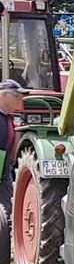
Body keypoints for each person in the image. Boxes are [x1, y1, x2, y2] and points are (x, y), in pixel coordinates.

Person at [0, 79, 26, 218]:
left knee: (7, 208)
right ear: (3, 96)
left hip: (4, 169)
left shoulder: (9, 118)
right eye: (16, 96)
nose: (20, 100)